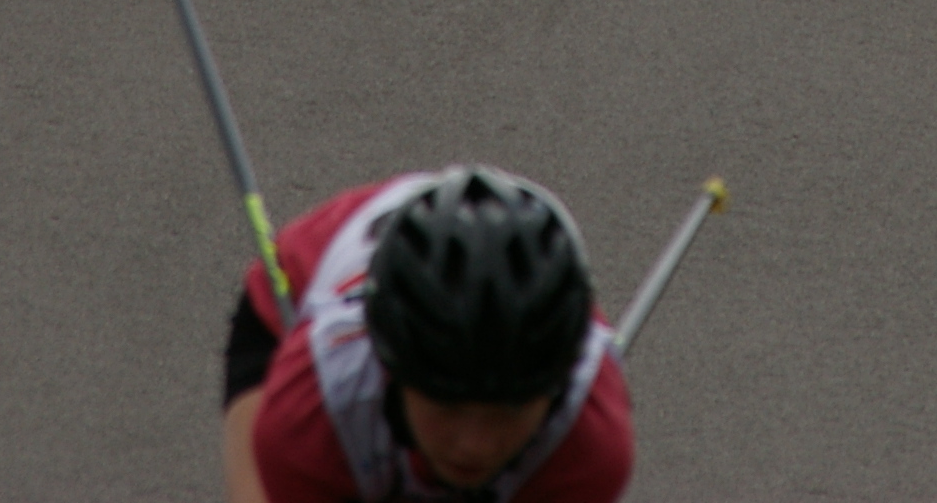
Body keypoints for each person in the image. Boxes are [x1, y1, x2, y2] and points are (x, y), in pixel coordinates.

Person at [223, 166, 633, 503]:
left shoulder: (590, 442)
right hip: (289, 302)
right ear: (390, 370)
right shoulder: (316, 403)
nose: (474, 445)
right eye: (445, 405)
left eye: (509, 411)